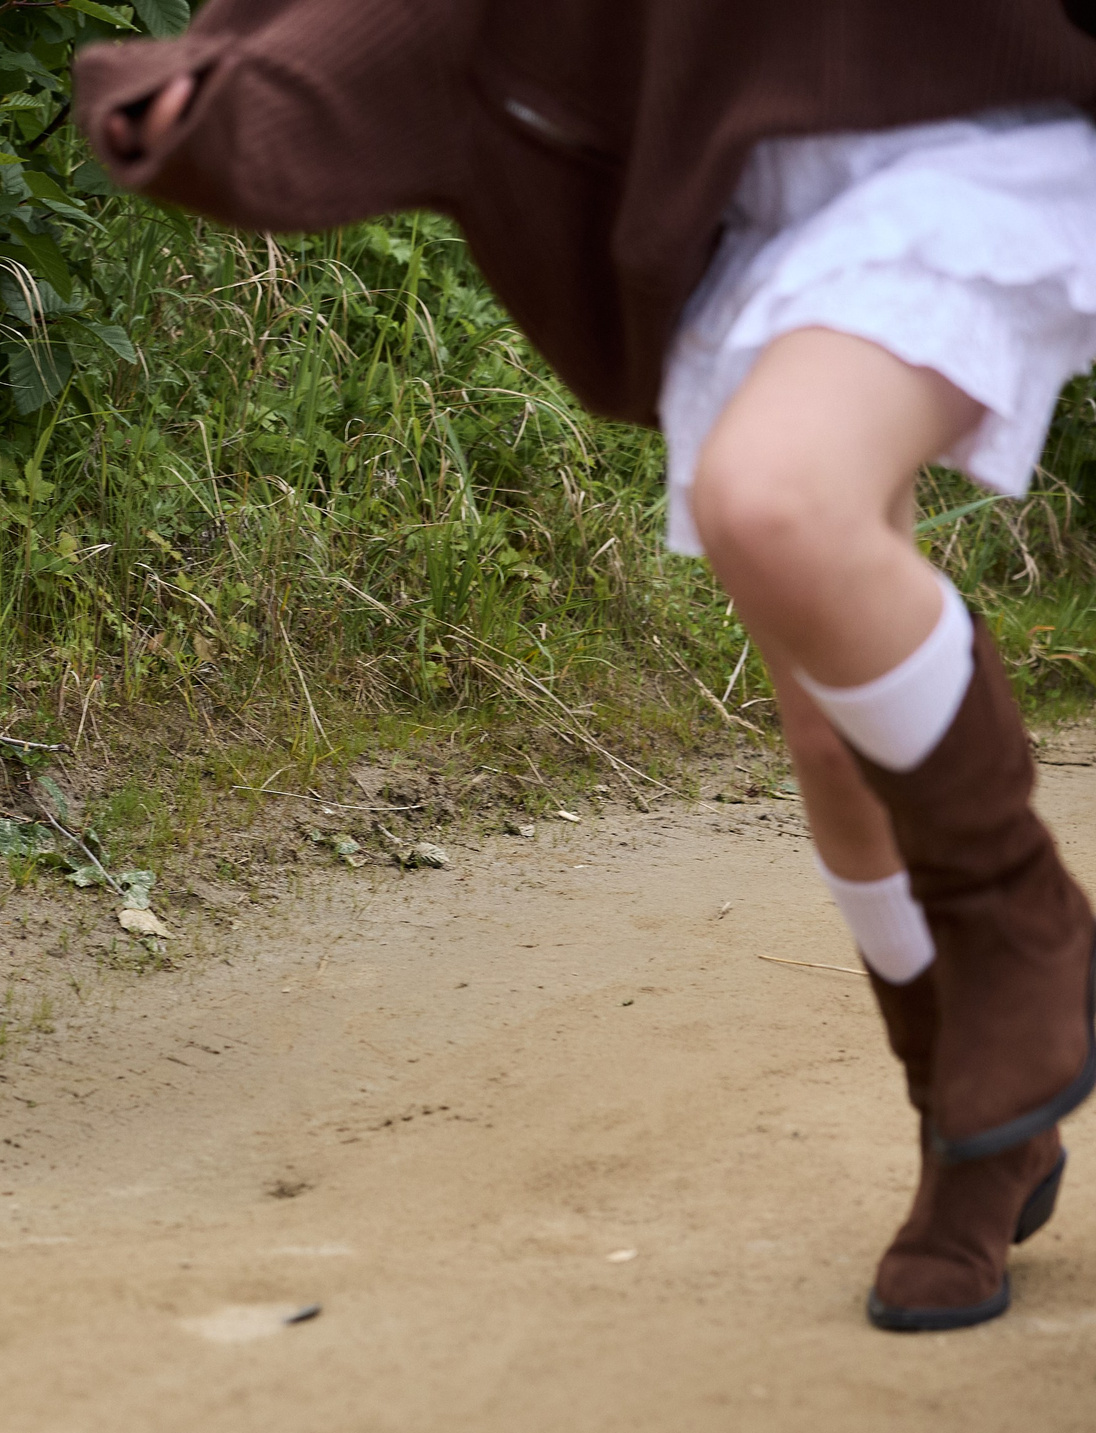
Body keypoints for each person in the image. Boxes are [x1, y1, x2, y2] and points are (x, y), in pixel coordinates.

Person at [76, 1, 1096, 1332]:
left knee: (774, 500)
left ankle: (1027, 930)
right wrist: (232, 80)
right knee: (829, 739)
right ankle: (971, 1122)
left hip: (967, 122)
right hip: (747, 179)